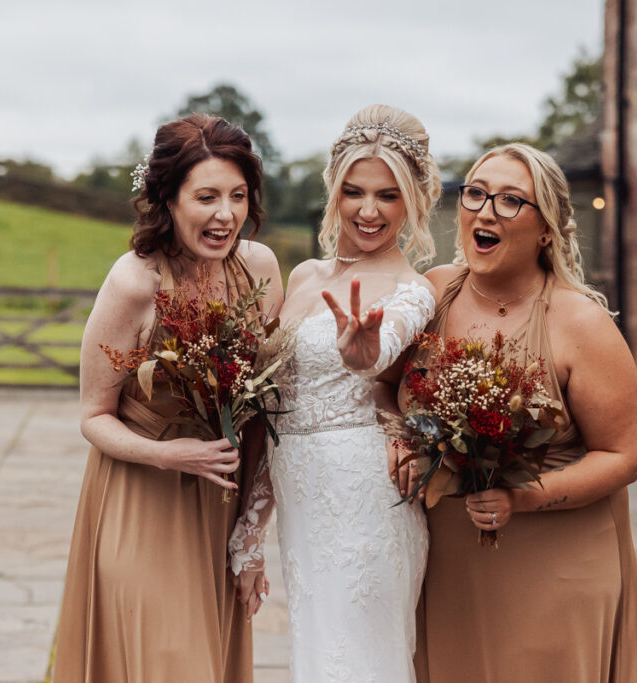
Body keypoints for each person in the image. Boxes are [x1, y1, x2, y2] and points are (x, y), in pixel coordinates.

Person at [379, 142, 637, 682]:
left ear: (547, 228)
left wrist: (519, 498)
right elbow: (386, 386)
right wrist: (402, 441)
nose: (485, 211)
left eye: (511, 201)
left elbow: (624, 455)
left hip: (555, 569)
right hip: (451, 567)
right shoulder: (432, 292)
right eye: (476, 194)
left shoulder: (581, 324)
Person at [52, 114, 284, 683]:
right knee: (167, 662)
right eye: (206, 196)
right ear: (167, 199)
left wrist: (250, 541)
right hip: (141, 496)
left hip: (220, 504)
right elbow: (93, 416)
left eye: (237, 195)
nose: (225, 214)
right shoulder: (135, 283)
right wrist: (171, 456)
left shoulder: (260, 270)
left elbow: (264, 409)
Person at [228, 104, 441, 681]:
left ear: (414, 200)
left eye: (388, 195)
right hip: (302, 503)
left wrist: (364, 354)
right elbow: (278, 411)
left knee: (358, 660)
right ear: (334, 191)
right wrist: (250, 533)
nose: (368, 211)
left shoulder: (412, 291)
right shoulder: (303, 279)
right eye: (354, 191)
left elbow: (382, 346)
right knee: (318, 655)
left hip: (366, 502)